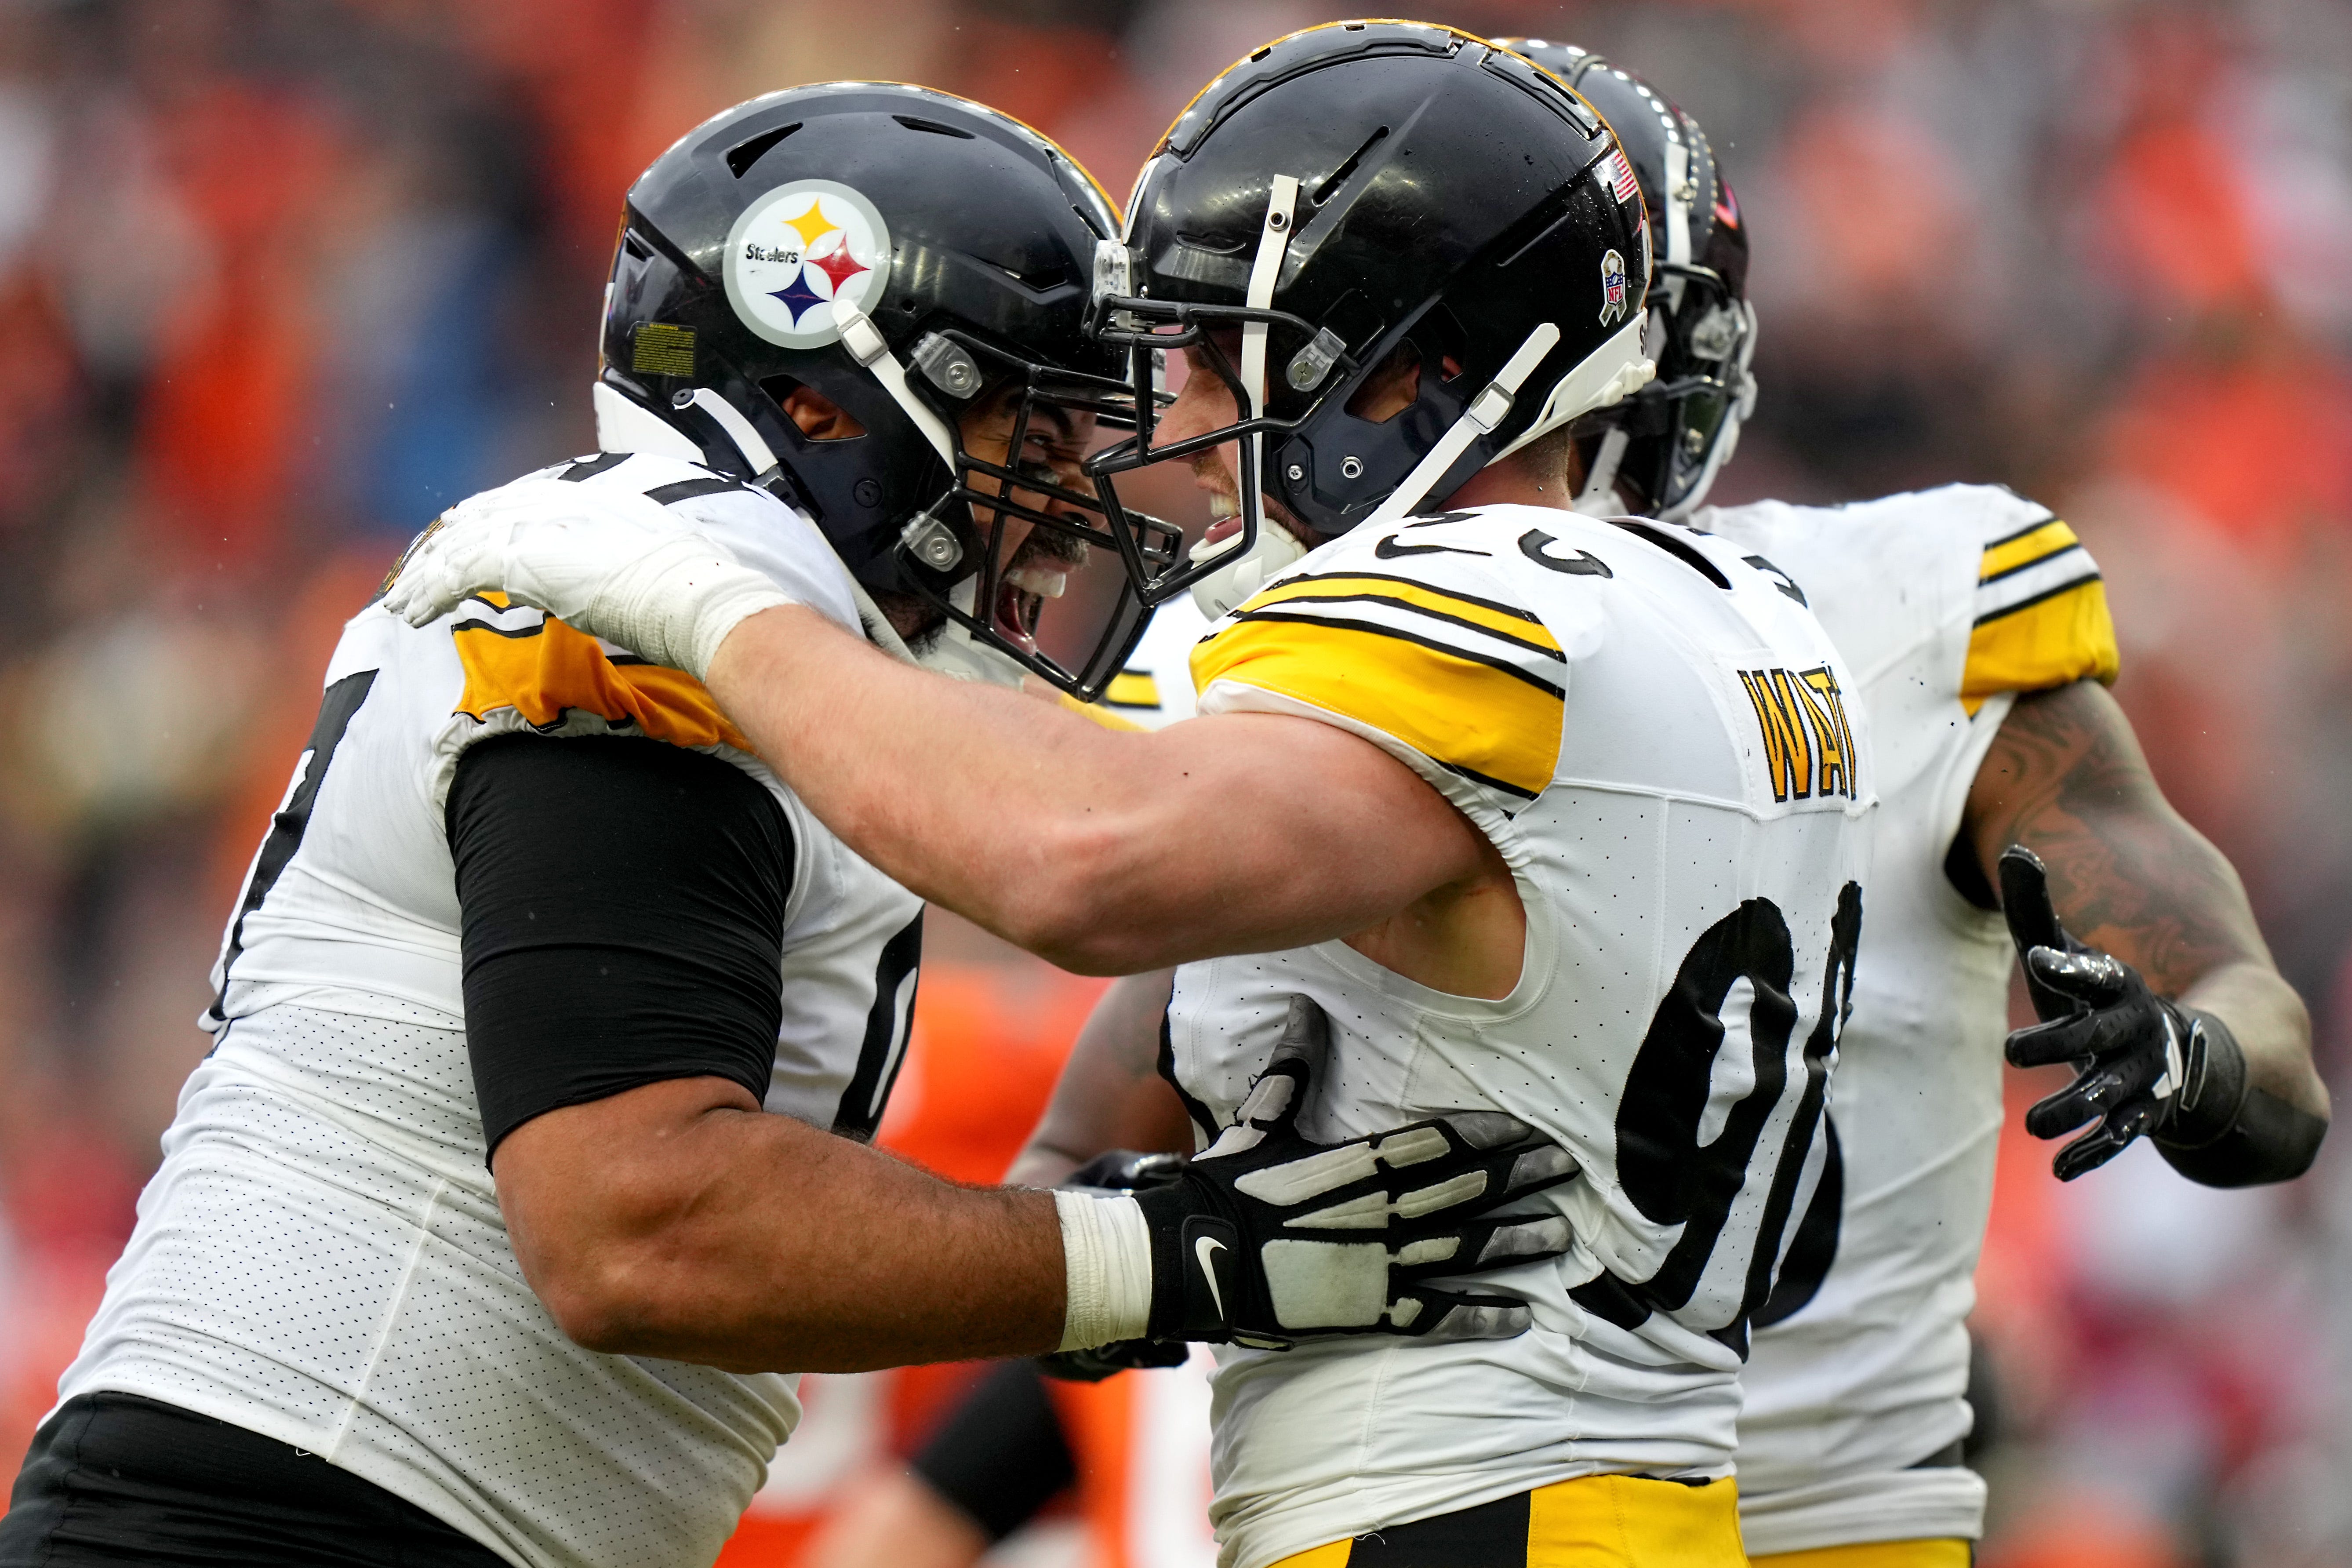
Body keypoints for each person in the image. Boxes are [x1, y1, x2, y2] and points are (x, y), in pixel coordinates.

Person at [0, 84, 1566, 1568]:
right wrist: (1159, 1257)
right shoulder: (635, 606)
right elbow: (633, 1226)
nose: (1083, 487)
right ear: (830, 398)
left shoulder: (792, 634)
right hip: (294, 1518)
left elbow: (1113, 814)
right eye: (1035, 424)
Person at [389, 22, 1882, 1568]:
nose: (1171, 408)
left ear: (1425, 371)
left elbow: (1082, 862)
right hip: (1615, 1493)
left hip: (1460, 1501)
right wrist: (1119, 1249)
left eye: (1223, 348)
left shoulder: (1486, 592)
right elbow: (1127, 1111)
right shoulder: (1729, 617)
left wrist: (709, 609)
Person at [993, 38, 2332, 1568]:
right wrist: (1180, 1257)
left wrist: (2197, 1062)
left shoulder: (1900, 608)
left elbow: (2259, 1042)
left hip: (1778, 1513)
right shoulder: (1359, 661)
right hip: (1538, 1497)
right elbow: (1095, 1168)